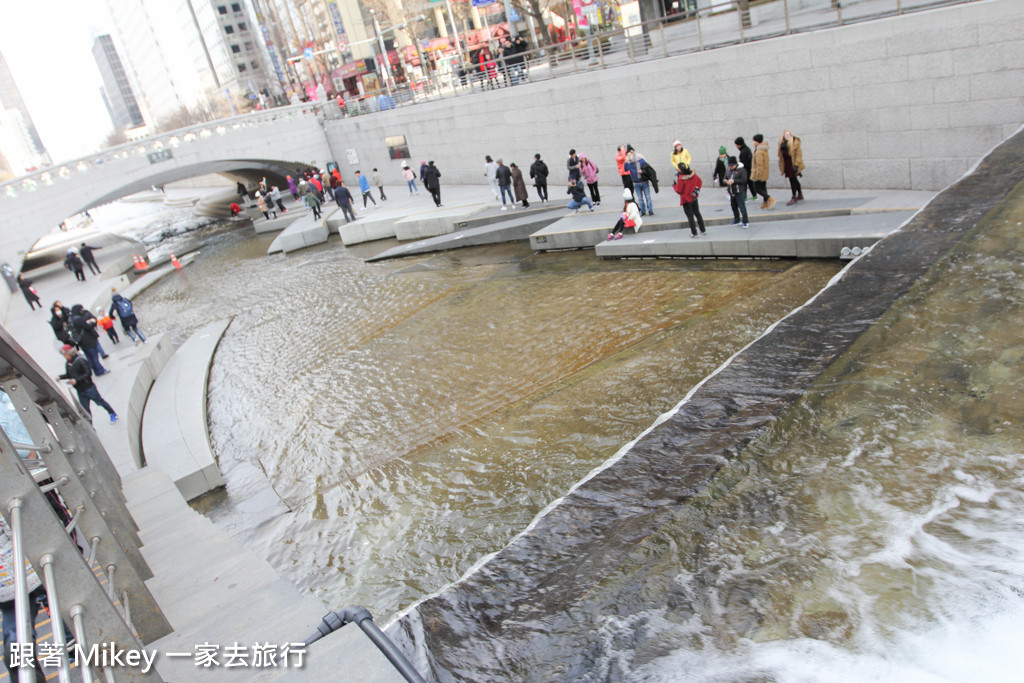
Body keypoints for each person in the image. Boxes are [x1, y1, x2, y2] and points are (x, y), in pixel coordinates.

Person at [1, 517, 48, 683]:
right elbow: (14, 527)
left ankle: (15, 643)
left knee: (15, 624)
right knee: (63, 600)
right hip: (25, 570)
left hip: (3, 589)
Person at [57, 345, 117, 423]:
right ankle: (90, 426)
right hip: (80, 390)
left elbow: (88, 373)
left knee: (100, 402)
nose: (64, 356)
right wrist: (60, 377)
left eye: (65, 355)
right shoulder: (68, 363)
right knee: (85, 410)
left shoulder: (80, 361)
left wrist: (76, 381)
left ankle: (112, 413)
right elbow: (69, 374)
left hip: (89, 388)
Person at [70, 304, 107, 375]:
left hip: (81, 342)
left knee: (89, 357)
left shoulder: (71, 319)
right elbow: (87, 326)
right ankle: (100, 370)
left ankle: (95, 370)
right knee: (94, 357)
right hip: (88, 340)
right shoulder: (78, 319)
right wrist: (91, 322)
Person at [673, 164, 706, 238]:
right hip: (694, 197)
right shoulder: (693, 174)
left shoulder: (681, 179)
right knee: (697, 213)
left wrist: (674, 186)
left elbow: (679, 191)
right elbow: (699, 182)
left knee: (690, 216)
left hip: (686, 200)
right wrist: (696, 190)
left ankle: (694, 233)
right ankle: (703, 229)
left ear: (680, 170)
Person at [778, 129, 805, 205]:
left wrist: (796, 165)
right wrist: (780, 165)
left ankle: (794, 196)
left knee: (792, 180)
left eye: (788, 134)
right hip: (787, 163)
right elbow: (780, 156)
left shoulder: (795, 142)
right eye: (786, 134)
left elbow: (798, 155)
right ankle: (800, 194)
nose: (787, 136)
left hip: (793, 163)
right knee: (794, 179)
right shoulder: (782, 143)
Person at [750, 134, 776, 210]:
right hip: (764, 172)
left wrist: (758, 175)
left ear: (757, 141)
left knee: (757, 189)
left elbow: (759, 164)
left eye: (754, 141)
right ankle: (765, 202)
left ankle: (770, 198)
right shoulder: (764, 149)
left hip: (759, 173)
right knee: (763, 187)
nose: (753, 142)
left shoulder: (759, 151)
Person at [626, 149, 653, 217]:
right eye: (629, 155)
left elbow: (647, 168)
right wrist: (626, 162)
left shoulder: (640, 160)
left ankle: (650, 210)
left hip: (644, 181)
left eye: (631, 153)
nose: (630, 155)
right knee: (640, 198)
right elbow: (625, 169)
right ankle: (643, 211)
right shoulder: (629, 163)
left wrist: (642, 171)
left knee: (648, 197)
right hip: (636, 183)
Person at [725, 156, 749, 229]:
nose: (731, 167)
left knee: (742, 207)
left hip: (740, 191)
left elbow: (744, 180)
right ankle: (737, 220)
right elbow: (725, 177)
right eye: (730, 166)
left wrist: (734, 181)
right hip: (732, 192)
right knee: (733, 206)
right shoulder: (728, 170)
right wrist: (726, 181)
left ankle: (745, 221)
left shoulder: (742, 170)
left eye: (732, 165)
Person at [735, 137, 756, 201]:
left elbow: (743, 162)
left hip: (745, 170)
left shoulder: (743, 151)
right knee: (750, 183)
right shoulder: (746, 149)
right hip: (749, 169)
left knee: (744, 184)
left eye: (736, 145)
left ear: (739, 145)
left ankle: (744, 197)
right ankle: (754, 195)